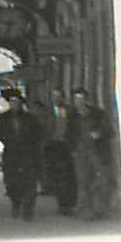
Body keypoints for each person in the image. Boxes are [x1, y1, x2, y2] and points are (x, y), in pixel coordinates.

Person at [0, 87, 45, 220]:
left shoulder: (30, 119)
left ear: (21, 103)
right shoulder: (2, 118)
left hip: (28, 154)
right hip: (11, 154)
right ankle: (16, 203)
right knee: (12, 182)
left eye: (16, 102)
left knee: (29, 181)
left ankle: (28, 210)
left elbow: (39, 135)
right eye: (11, 102)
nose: (14, 104)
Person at [67, 88, 113, 220]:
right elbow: (68, 134)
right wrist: (72, 148)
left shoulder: (98, 114)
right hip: (80, 153)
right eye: (76, 99)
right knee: (83, 181)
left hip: (97, 151)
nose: (79, 102)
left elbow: (108, 130)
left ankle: (99, 207)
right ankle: (87, 211)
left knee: (102, 179)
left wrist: (99, 134)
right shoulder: (72, 116)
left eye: (81, 99)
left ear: (86, 100)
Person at [42, 87, 77, 215]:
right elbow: (42, 128)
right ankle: (61, 203)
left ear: (63, 97)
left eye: (58, 96)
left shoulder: (70, 111)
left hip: (67, 146)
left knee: (68, 175)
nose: (56, 99)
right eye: (54, 96)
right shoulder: (46, 112)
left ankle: (68, 203)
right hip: (53, 146)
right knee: (57, 175)